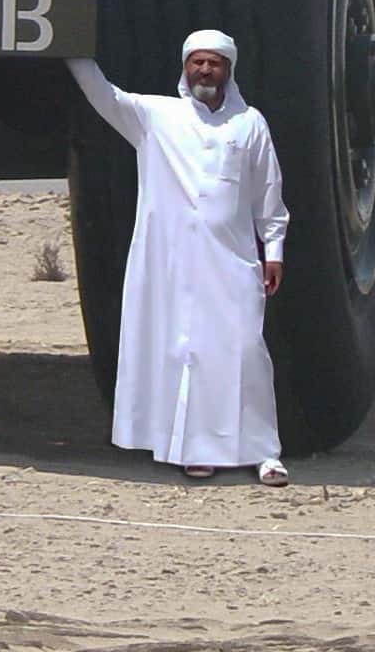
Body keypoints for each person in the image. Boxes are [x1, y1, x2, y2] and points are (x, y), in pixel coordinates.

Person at [67, 30, 292, 486]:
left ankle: (265, 453)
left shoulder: (250, 124)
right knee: (186, 352)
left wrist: (274, 250)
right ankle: (196, 450)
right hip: (172, 264)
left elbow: (268, 195)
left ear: (228, 70)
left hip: (233, 261)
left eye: (214, 63)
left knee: (246, 351)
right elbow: (103, 95)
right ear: (185, 68)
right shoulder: (156, 115)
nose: (205, 70)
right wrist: (68, 49)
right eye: (198, 63)